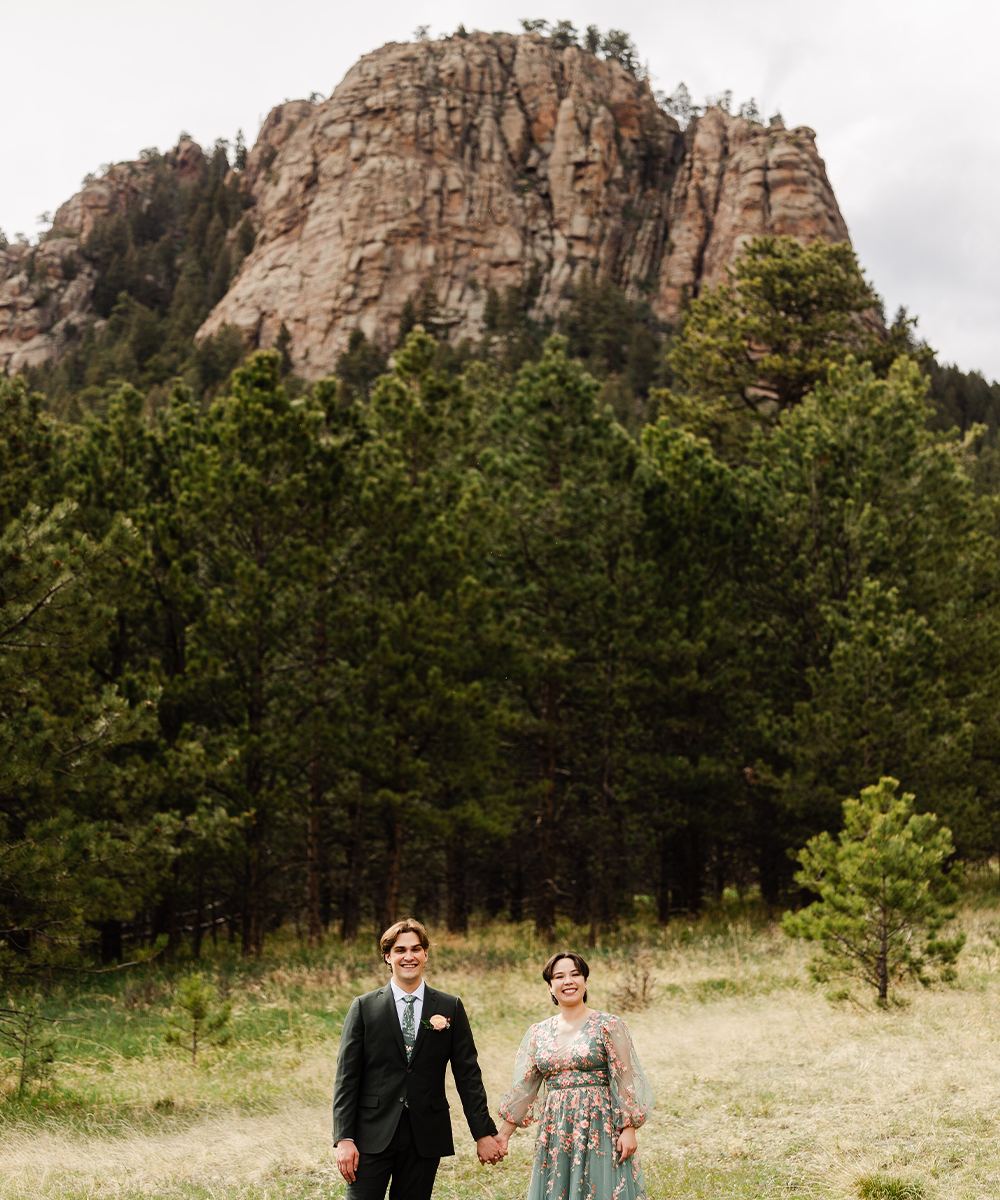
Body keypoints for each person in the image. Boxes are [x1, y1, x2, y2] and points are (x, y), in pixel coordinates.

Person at [333, 918, 505, 1200]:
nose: (408, 956)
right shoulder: (364, 1007)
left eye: (416, 949)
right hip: (370, 1134)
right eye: (400, 950)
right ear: (388, 957)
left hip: (425, 1134)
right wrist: (344, 1138)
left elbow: (468, 1075)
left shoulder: (450, 1006)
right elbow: (346, 1078)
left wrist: (482, 1133)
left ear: (426, 954)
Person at [495, 950, 654, 1200]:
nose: (568, 981)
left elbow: (624, 1078)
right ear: (550, 986)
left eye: (575, 974)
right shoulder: (539, 1033)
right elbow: (525, 1088)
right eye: (559, 976)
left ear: (585, 982)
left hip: (601, 1126)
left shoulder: (608, 1025)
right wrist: (502, 1136)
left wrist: (629, 1129)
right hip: (557, 1128)